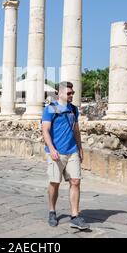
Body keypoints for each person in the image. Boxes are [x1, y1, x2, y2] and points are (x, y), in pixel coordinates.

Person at [41, 81, 90, 230]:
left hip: (72, 150)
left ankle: (75, 216)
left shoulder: (74, 109)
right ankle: (52, 211)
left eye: (72, 93)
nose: (71, 95)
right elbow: (45, 130)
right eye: (69, 93)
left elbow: (76, 130)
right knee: (54, 183)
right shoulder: (51, 108)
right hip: (56, 152)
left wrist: (80, 147)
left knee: (75, 181)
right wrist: (51, 148)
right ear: (60, 93)